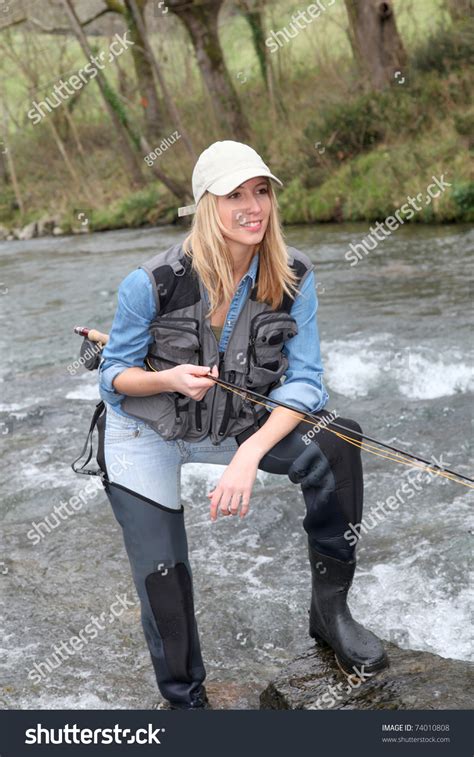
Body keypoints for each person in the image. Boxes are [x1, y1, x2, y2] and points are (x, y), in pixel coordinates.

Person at [97, 140, 388, 710]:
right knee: (164, 574)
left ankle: (331, 614)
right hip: (147, 430)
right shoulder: (149, 282)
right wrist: (168, 379)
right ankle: (186, 702)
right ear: (207, 204)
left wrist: (249, 453)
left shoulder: (295, 274)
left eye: (260, 192)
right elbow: (114, 378)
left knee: (338, 440)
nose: (253, 206)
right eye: (235, 195)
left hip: (237, 424)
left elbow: (307, 383)